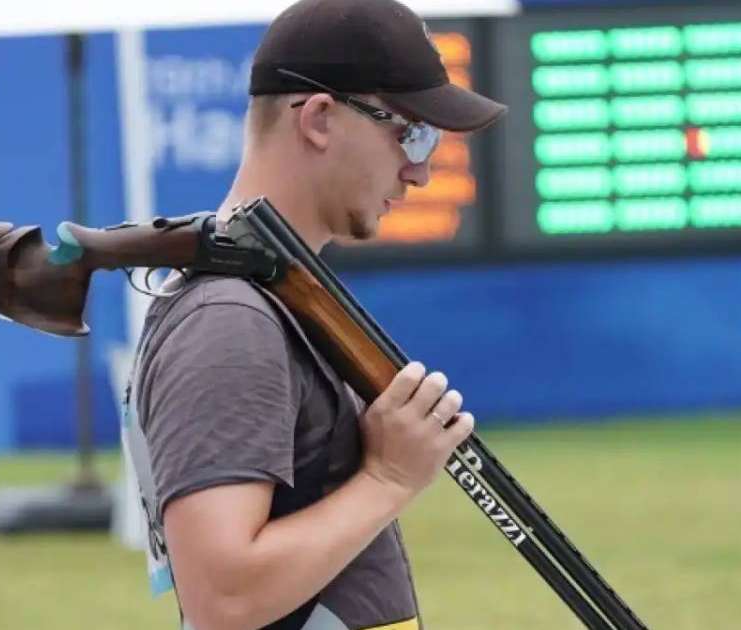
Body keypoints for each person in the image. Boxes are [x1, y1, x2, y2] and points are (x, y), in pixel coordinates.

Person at [122, 1, 507, 628]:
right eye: (411, 132)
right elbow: (224, 598)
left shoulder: (263, 300)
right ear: (321, 119)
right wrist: (387, 476)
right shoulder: (230, 319)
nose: (422, 171)